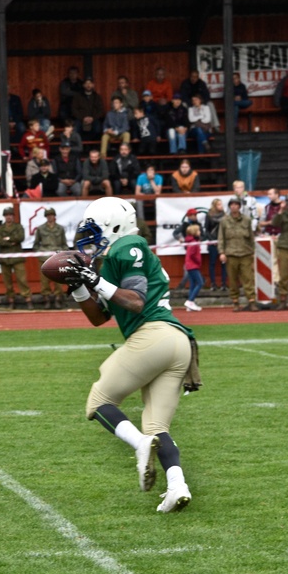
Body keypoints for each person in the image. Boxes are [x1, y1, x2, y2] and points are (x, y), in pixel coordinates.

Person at [62, 197, 199, 513]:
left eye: (95, 230)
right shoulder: (114, 260)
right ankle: (177, 486)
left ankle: (139, 446)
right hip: (177, 343)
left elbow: (135, 301)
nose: (90, 238)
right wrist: (79, 287)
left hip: (155, 335)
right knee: (156, 426)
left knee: (99, 401)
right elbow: (99, 317)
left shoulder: (129, 245)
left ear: (114, 226)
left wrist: (93, 279)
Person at [218, 197, 258, 311]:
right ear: (229, 206)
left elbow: (251, 237)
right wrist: (221, 252)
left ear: (240, 206)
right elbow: (221, 238)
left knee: (248, 279)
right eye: (232, 205)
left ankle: (251, 301)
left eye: (236, 205)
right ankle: (235, 302)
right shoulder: (224, 221)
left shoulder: (246, 220)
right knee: (233, 280)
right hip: (231, 254)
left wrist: (252, 251)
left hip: (245, 253)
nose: (234, 207)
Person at [0, 207, 31, 309]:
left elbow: (20, 238)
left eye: (10, 215)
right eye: (6, 215)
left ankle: (27, 298)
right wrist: (11, 241)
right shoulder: (0, 228)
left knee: (22, 279)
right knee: (7, 281)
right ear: (4, 217)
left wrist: (7, 239)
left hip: (17, 256)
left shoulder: (18, 227)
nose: (8, 217)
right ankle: (11, 299)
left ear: (13, 216)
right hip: (4, 257)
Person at [32, 207, 68, 309]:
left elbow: (64, 244)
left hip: (57, 258)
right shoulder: (40, 228)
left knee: (58, 279)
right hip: (44, 257)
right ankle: (46, 299)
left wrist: (63, 254)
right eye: (48, 215)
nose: (50, 217)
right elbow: (36, 245)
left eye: (51, 215)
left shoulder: (60, 228)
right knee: (44, 280)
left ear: (54, 216)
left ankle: (58, 298)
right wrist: (39, 253)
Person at [204, 198, 227, 291]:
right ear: (214, 206)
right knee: (212, 263)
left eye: (221, 204)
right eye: (218, 204)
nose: (221, 206)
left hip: (223, 242)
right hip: (213, 242)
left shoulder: (225, 216)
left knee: (224, 264)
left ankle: (224, 284)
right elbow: (207, 229)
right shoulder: (209, 215)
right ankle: (213, 283)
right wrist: (212, 240)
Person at [182, 223, 203, 312]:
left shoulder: (190, 241)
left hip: (189, 265)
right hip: (193, 266)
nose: (200, 232)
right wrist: (198, 261)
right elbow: (192, 255)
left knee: (192, 284)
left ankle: (190, 304)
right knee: (200, 283)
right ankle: (190, 301)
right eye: (198, 231)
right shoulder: (194, 243)